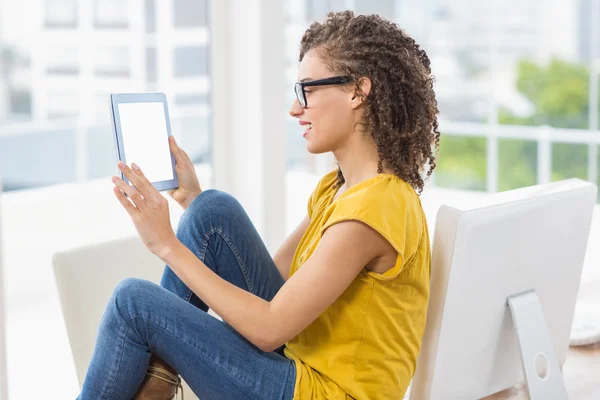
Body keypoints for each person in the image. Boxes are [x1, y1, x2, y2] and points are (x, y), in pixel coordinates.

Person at [77, 10, 440, 400]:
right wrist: (191, 203)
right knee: (211, 211)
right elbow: (277, 288)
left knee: (132, 302)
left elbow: (269, 328)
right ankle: (156, 383)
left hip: (325, 392)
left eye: (307, 91)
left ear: (356, 91)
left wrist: (166, 244)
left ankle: (152, 385)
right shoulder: (337, 188)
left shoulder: (378, 205)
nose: (295, 109)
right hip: (299, 365)